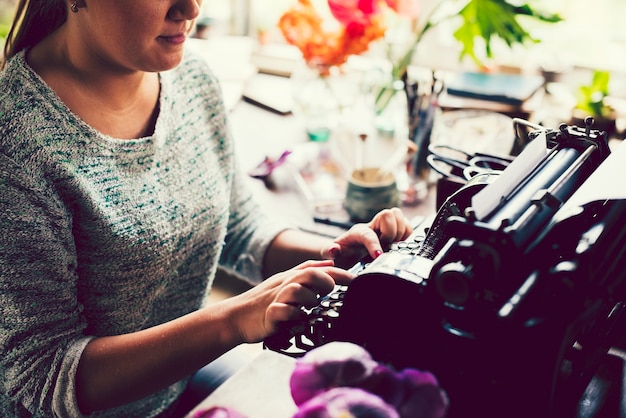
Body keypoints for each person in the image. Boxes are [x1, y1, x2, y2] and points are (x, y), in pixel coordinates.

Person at [0, 0, 413, 416]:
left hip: (181, 382)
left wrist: (340, 255)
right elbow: (43, 375)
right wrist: (234, 320)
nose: (191, 7)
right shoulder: (16, 144)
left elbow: (240, 226)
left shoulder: (190, 76)